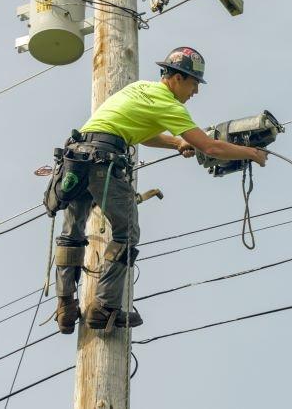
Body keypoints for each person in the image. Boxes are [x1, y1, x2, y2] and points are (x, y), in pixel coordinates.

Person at [50, 47, 268, 334]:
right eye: (193, 84)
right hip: (104, 161)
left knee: (72, 234)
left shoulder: (140, 89)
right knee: (126, 233)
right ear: (177, 78)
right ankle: (103, 309)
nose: (195, 92)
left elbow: (144, 132)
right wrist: (251, 153)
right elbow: (210, 146)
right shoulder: (170, 105)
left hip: (76, 160)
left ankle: (65, 306)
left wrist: (176, 143)